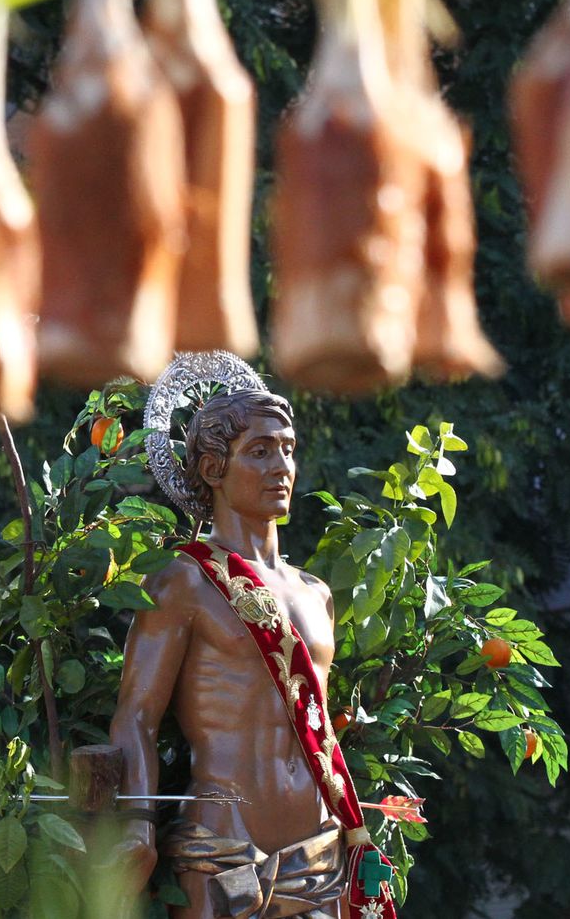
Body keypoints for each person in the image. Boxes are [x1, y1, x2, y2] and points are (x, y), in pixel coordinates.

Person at [108, 389, 367, 919]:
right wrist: (137, 823)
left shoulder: (316, 595)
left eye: (289, 449)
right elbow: (136, 715)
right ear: (212, 467)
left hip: (319, 848)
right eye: (261, 451)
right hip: (223, 848)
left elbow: (315, 723)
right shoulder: (182, 583)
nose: (282, 467)